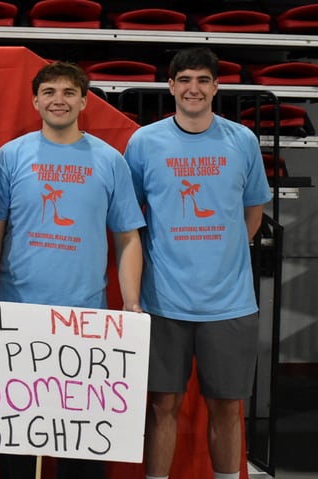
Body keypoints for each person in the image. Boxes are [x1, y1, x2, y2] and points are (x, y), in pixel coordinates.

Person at [0, 61, 145, 479]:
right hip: (17, 316)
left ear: (84, 101)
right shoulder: (11, 156)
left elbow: (128, 238)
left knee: (81, 450)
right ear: (35, 100)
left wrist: (133, 303)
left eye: (69, 92)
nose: (58, 100)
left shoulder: (109, 161)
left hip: (85, 320)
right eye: (49, 92)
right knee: (14, 443)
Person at [123, 48, 272, 479]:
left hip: (230, 304)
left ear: (216, 87)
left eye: (203, 80)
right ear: (170, 86)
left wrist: (225, 253)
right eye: (185, 79)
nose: (194, 88)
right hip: (163, 301)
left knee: (227, 407)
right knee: (161, 405)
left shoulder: (241, 140)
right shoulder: (144, 142)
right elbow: (131, 217)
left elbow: (253, 211)